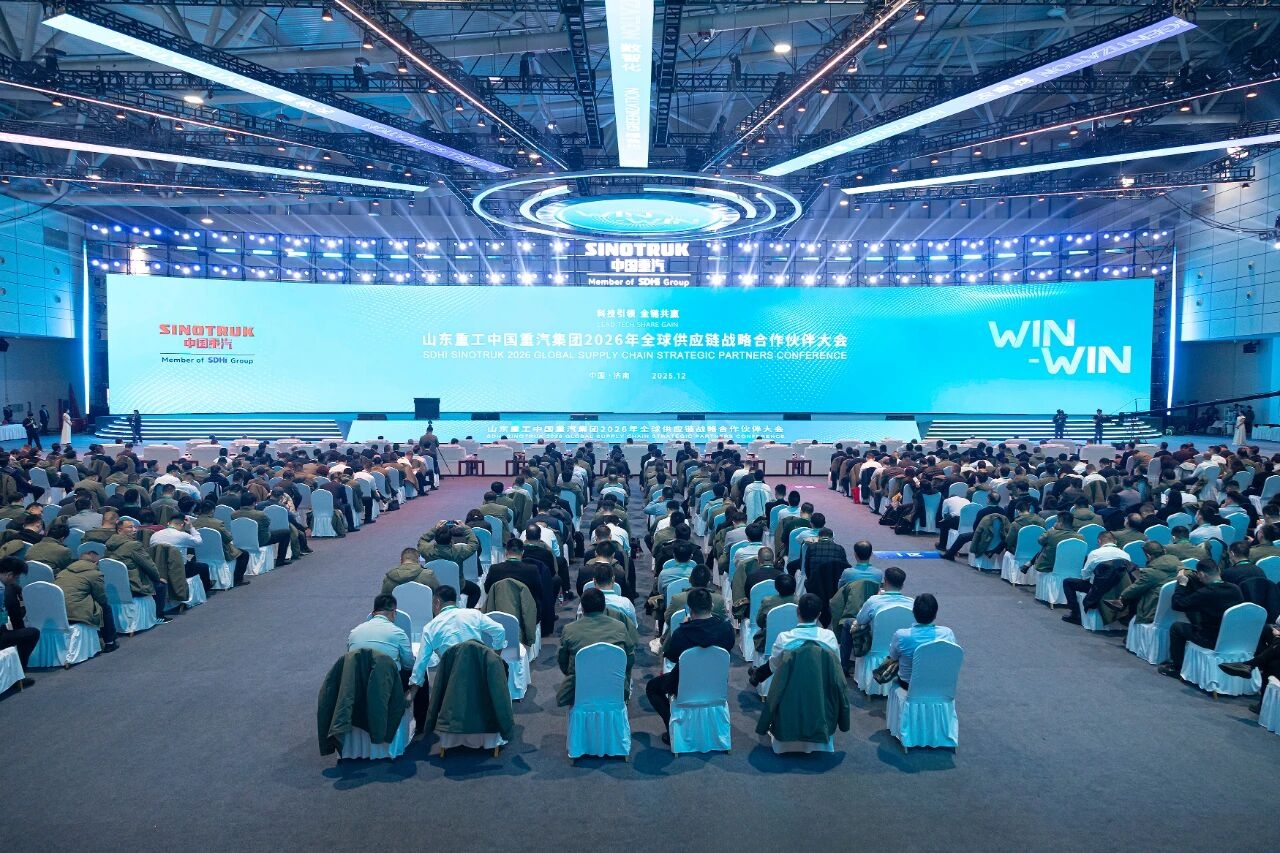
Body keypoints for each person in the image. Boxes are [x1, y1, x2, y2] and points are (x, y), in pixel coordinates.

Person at [406, 585, 505, 736]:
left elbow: (420, 664)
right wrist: (495, 655)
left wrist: (412, 692)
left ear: (437, 602)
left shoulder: (430, 628)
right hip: (481, 672)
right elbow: (500, 631)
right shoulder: (474, 614)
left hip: (452, 680)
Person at [645, 587, 734, 744]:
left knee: (652, 687)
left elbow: (671, 656)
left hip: (684, 684)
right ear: (712, 606)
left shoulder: (682, 633)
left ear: (690, 609)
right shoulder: (726, 629)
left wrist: (684, 626)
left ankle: (672, 728)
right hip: (716, 682)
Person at [348, 593, 428, 731]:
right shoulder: (398, 633)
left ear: (373, 613)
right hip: (387, 683)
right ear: (393, 612)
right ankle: (421, 725)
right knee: (420, 670)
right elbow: (408, 664)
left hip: (358, 682)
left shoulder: (353, 633)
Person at [1159, 560, 1245, 678]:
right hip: (1233, 637)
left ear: (1202, 574)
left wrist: (1182, 584)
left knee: (1176, 627)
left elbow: (1178, 604)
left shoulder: (1206, 593)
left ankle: (1176, 667)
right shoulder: (1236, 589)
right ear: (1218, 570)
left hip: (1210, 639)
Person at [556, 587, 635, 707]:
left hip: (580, 687)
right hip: (614, 686)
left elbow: (563, 662)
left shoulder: (569, 630)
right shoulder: (620, 628)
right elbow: (629, 659)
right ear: (604, 607)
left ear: (582, 608)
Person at [748, 592, 838, 687]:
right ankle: (757, 674)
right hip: (823, 685)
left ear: (797, 611)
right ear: (819, 615)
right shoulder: (829, 637)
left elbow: (773, 666)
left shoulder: (785, 638)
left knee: (775, 660)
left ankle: (758, 674)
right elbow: (836, 665)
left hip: (792, 688)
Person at [888, 593, 957, 689]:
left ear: (913, 612)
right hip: (938, 683)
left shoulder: (901, 635)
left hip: (908, 685)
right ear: (935, 614)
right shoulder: (947, 633)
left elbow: (893, 657)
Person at [53, 550, 118, 653]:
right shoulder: (95, 574)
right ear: (96, 562)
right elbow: (101, 598)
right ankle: (109, 642)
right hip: (76, 614)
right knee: (105, 608)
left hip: (59, 613)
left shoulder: (63, 572)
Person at [1060, 531, 1131, 625]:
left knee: (1067, 582)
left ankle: (1075, 614)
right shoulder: (1125, 555)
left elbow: (1085, 576)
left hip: (1098, 589)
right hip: (1120, 589)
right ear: (1115, 541)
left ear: (1099, 541)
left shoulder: (1095, 554)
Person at [0, 557, 38, 681]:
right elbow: (16, 622)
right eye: (16, 578)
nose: (16, 581)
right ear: (9, 575)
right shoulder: (5, 591)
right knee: (32, 633)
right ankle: (19, 675)